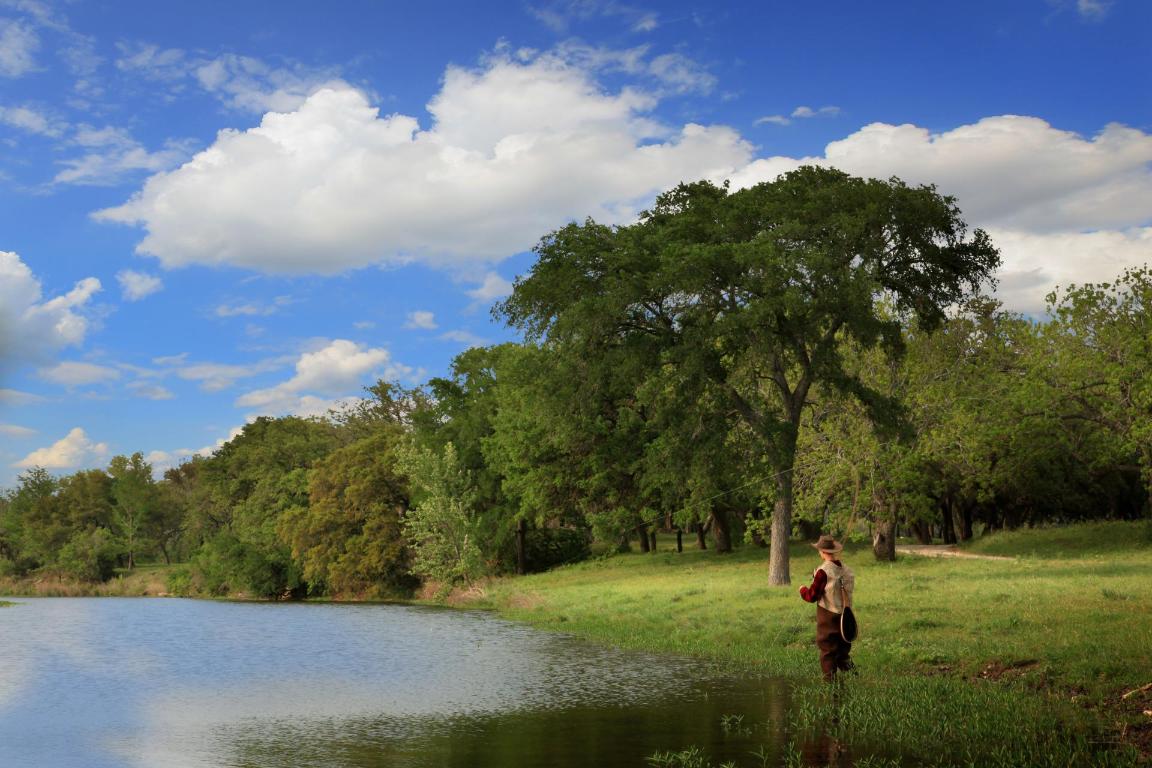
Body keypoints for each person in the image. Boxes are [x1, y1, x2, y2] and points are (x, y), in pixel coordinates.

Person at [799, 534, 855, 681]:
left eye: (819, 550)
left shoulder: (823, 571)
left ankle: (830, 684)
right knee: (843, 650)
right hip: (846, 615)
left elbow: (811, 596)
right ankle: (853, 677)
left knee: (827, 649)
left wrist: (802, 589)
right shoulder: (847, 570)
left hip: (828, 616)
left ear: (823, 552)